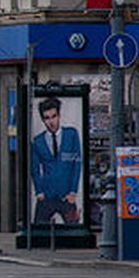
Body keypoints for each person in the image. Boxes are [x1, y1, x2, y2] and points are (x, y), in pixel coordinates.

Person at [29, 96, 82, 225]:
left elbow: (76, 164)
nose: (51, 121)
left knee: (73, 229)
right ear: (43, 120)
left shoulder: (71, 134)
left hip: (66, 196)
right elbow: (34, 168)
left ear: (59, 116)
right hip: (47, 195)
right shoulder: (38, 141)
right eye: (47, 118)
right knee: (39, 230)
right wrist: (39, 192)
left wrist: (73, 191)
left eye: (54, 116)